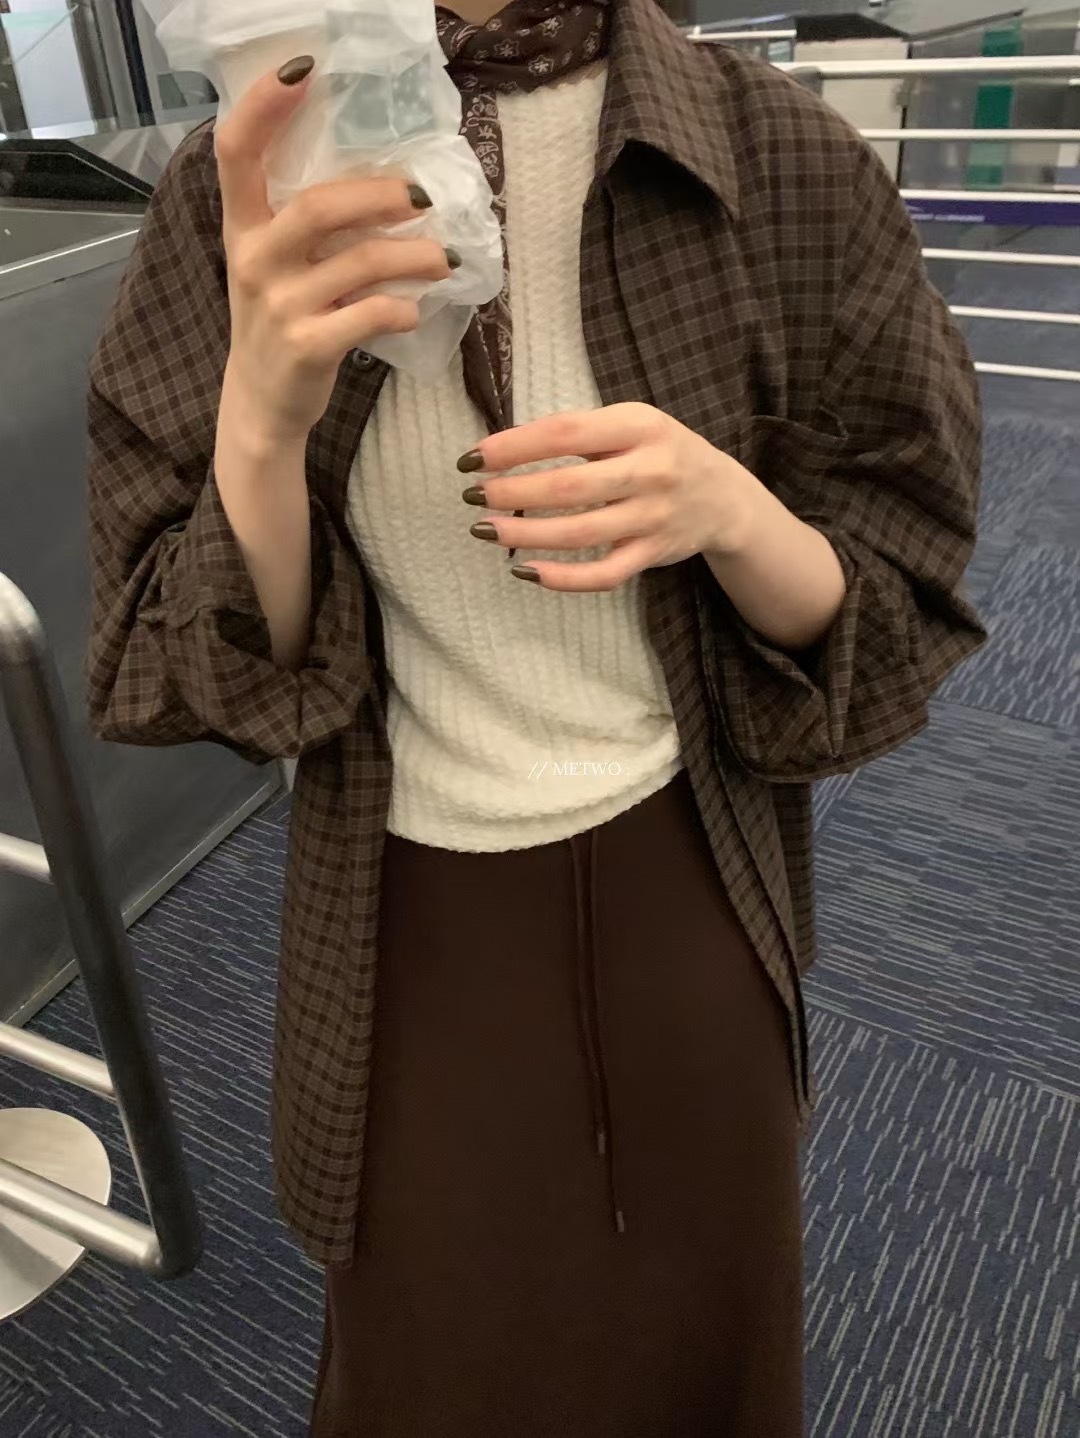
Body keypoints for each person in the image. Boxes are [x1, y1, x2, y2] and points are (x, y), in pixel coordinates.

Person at [85, 1, 986, 1433]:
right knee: (432, 1369)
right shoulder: (252, 172)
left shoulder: (777, 155)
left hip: (692, 882)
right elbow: (182, 660)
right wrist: (260, 423)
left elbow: (900, 589)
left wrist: (730, 509)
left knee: (703, 1358)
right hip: (403, 903)